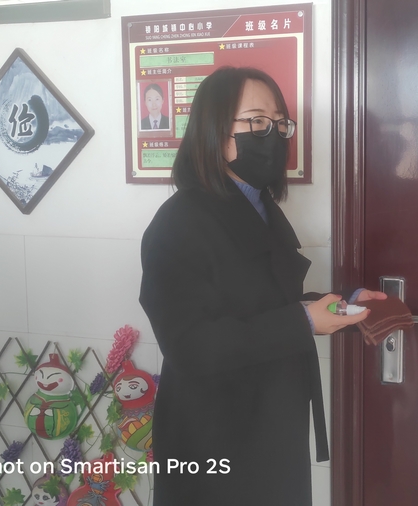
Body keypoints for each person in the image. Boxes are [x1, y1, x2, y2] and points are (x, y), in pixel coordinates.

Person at [139, 66, 386, 504]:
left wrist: (343, 305)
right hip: (214, 435)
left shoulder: (260, 206)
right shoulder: (179, 222)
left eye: (279, 123)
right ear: (216, 133)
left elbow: (269, 299)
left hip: (272, 420)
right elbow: (189, 346)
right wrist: (302, 322)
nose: (271, 134)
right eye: (256, 121)